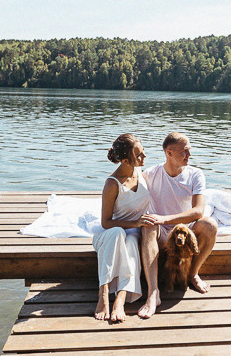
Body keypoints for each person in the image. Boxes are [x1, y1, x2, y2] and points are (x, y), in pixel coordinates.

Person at [138, 132, 218, 318]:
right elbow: (127, 183)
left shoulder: (196, 174)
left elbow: (198, 211)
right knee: (148, 225)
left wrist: (164, 219)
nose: (189, 155)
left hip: (185, 231)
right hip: (162, 233)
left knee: (210, 224)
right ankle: (152, 293)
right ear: (169, 153)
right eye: (184, 152)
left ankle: (193, 274)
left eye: (189, 151)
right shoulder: (150, 174)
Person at [91, 133, 152, 322]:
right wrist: (134, 223)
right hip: (110, 235)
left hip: (133, 233)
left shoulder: (141, 173)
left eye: (143, 152)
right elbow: (105, 222)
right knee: (119, 233)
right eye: (139, 155)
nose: (144, 157)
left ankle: (121, 297)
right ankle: (104, 291)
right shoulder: (112, 184)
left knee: (133, 241)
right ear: (125, 160)